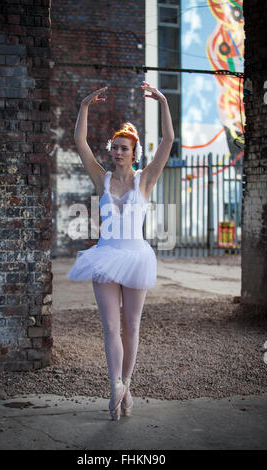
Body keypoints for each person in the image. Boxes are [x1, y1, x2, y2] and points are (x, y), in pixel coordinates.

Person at [67, 81, 174, 420]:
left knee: (132, 326)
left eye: (123, 148)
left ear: (134, 152)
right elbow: (80, 143)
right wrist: (84, 106)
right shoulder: (102, 179)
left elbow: (169, 141)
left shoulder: (145, 180)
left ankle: (126, 384)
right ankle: (115, 386)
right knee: (110, 328)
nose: (117, 152)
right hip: (105, 255)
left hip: (137, 257)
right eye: (114, 147)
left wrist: (164, 103)